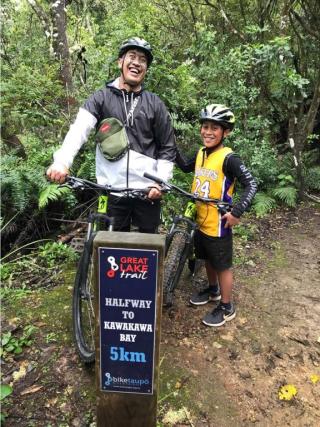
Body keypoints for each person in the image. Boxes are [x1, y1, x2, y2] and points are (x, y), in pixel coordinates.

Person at [47, 37, 176, 233]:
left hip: (147, 192)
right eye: (131, 57)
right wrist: (62, 162)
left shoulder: (154, 103)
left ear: (146, 69)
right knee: (108, 250)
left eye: (142, 60)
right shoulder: (101, 98)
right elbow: (80, 129)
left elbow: (167, 146)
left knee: (148, 254)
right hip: (111, 191)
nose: (136, 62)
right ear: (120, 62)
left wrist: (161, 182)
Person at [176, 104, 257, 327]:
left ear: (225, 132)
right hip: (200, 219)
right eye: (205, 126)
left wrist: (237, 211)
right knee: (206, 258)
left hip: (219, 223)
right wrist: (168, 143)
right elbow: (184, 166)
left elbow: (251, 184)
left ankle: (227, 306)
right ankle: (213, 292)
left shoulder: (229, 158)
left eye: (214, 128)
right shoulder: (202, 153)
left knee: (222, 265)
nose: (207, 132)